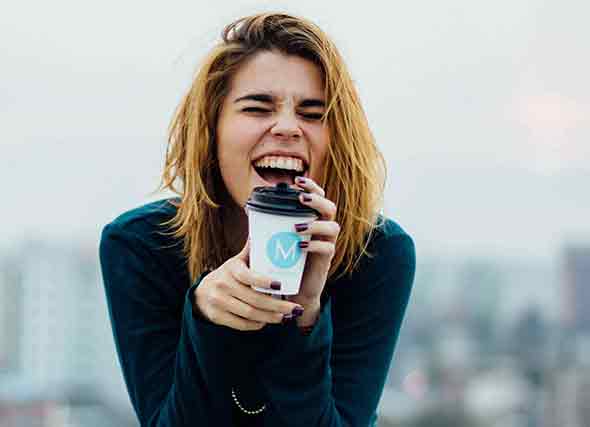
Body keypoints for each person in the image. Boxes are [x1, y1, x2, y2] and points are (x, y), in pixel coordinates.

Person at [99, 12, 416, 427]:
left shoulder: (375, 253)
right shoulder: (141, 246)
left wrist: (304, 316)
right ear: (211, 131)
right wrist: (205, 322)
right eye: (257, 107)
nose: (287, 127)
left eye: (313, 112)